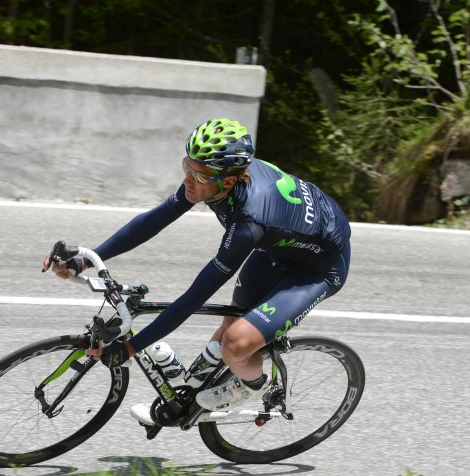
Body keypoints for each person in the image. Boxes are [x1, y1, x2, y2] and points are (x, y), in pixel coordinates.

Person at [46, 118, 352, 414]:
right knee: (229, 323)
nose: (187, 181)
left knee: (235, 344)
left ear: (228, 181)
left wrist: (130, 348)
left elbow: (195, 296)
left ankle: (255, 385)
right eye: (186, 168)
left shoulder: (248, 224)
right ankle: (190, 400)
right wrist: (83, 260)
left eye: (198, 176)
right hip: (279, 248)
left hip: (318, 270)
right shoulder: (213, 176)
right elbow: (152, 222)